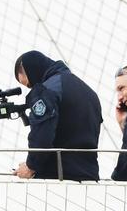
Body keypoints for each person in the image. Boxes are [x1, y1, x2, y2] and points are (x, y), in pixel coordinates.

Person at [13, 50, 102, 181]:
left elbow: (42, 134)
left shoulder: (46, 90)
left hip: (57, 176)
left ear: (30, 70)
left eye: (28, 83)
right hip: (89, 174)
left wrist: (31, 166)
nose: (31, 88)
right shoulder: (90, 93)